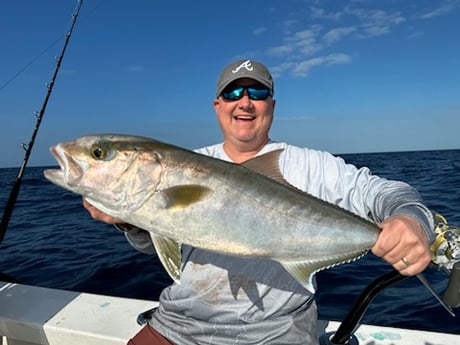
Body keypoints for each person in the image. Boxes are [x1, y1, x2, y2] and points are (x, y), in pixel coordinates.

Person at [83, 59, 434, 345]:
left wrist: (411, 220)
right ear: (218, 105)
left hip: (276, 333)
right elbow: (154, 241)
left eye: (258, 92)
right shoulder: (185, 167)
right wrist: (128, 220)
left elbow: (387, 193)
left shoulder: (311, 164)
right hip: (179, 327)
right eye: (232, 91)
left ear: (272, 105)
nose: (245, 101)